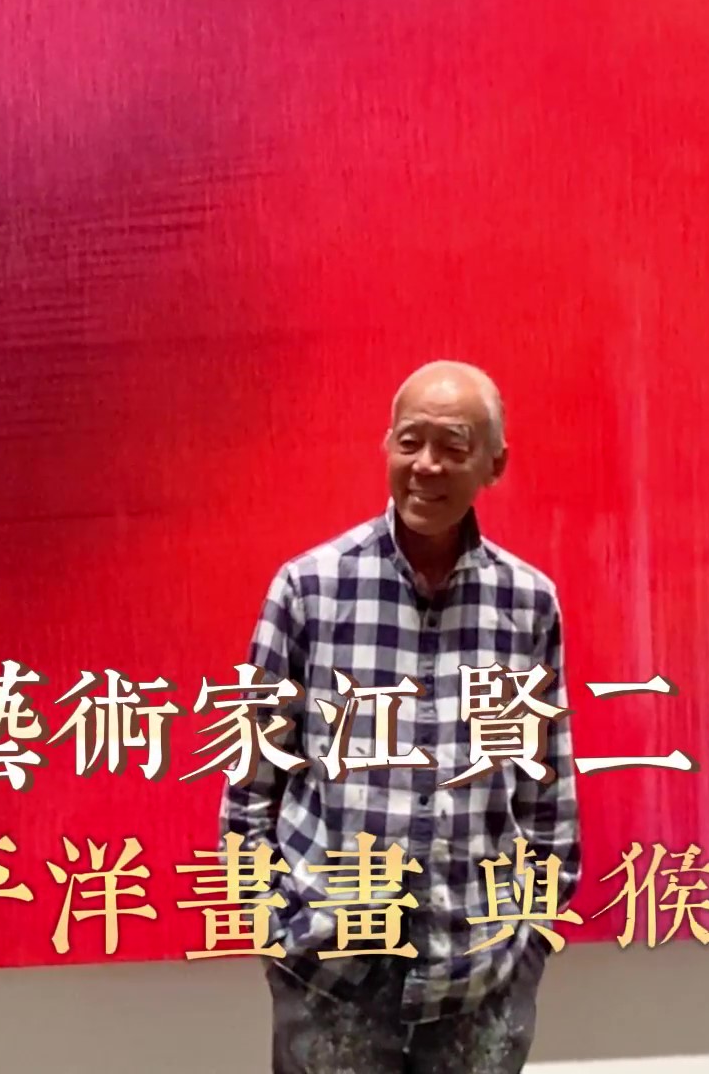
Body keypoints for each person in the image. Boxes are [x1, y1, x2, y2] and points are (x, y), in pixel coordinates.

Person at [222, 360, 579, 1073]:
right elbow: (251, 787)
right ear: (387, 446)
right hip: (330, 979)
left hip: (477, 979)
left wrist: (530, 942)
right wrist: (274, 926)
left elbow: (548, 795)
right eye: (411, 441)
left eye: (453, 446)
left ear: (495, 464)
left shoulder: (528, 603)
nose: (427, 465)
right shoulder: (310, 589)